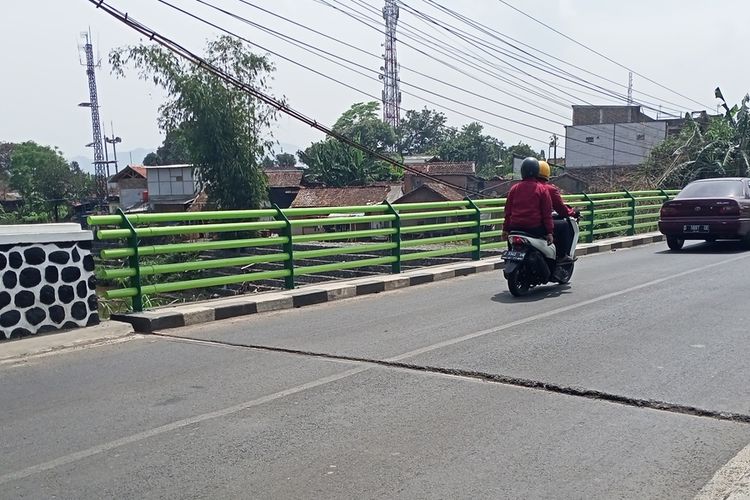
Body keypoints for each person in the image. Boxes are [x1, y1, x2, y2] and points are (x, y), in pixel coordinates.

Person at [502, 157, 554, 245]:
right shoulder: (542, 189)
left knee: (511, 245)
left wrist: (505, 229)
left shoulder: (514, 189)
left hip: (515, 227)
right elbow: (547, 213)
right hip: (534, 228)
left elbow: (508, 212)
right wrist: (550, 232)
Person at [537, 160, 578, 263]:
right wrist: (572, 212)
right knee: (564, 225)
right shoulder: (547, 189)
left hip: (517, 225)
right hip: (537, 223)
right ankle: (562, 255)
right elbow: (560, 209)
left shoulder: (518, 188)